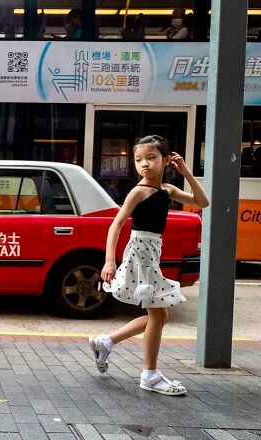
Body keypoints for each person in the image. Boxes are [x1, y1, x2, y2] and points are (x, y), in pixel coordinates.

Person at [89, 135, 209, 396]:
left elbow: (202, 202)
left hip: (152, 252)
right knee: (159, 315)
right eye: (138, 159)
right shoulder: (139, 191)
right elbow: (116, 224)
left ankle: (106, 342)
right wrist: (110, 260)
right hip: (140, 253)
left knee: (160, 315)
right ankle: (149, 375)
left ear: (166, 160)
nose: (144, 164)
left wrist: (185, 171)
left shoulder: (166, 190)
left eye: (151, 158)